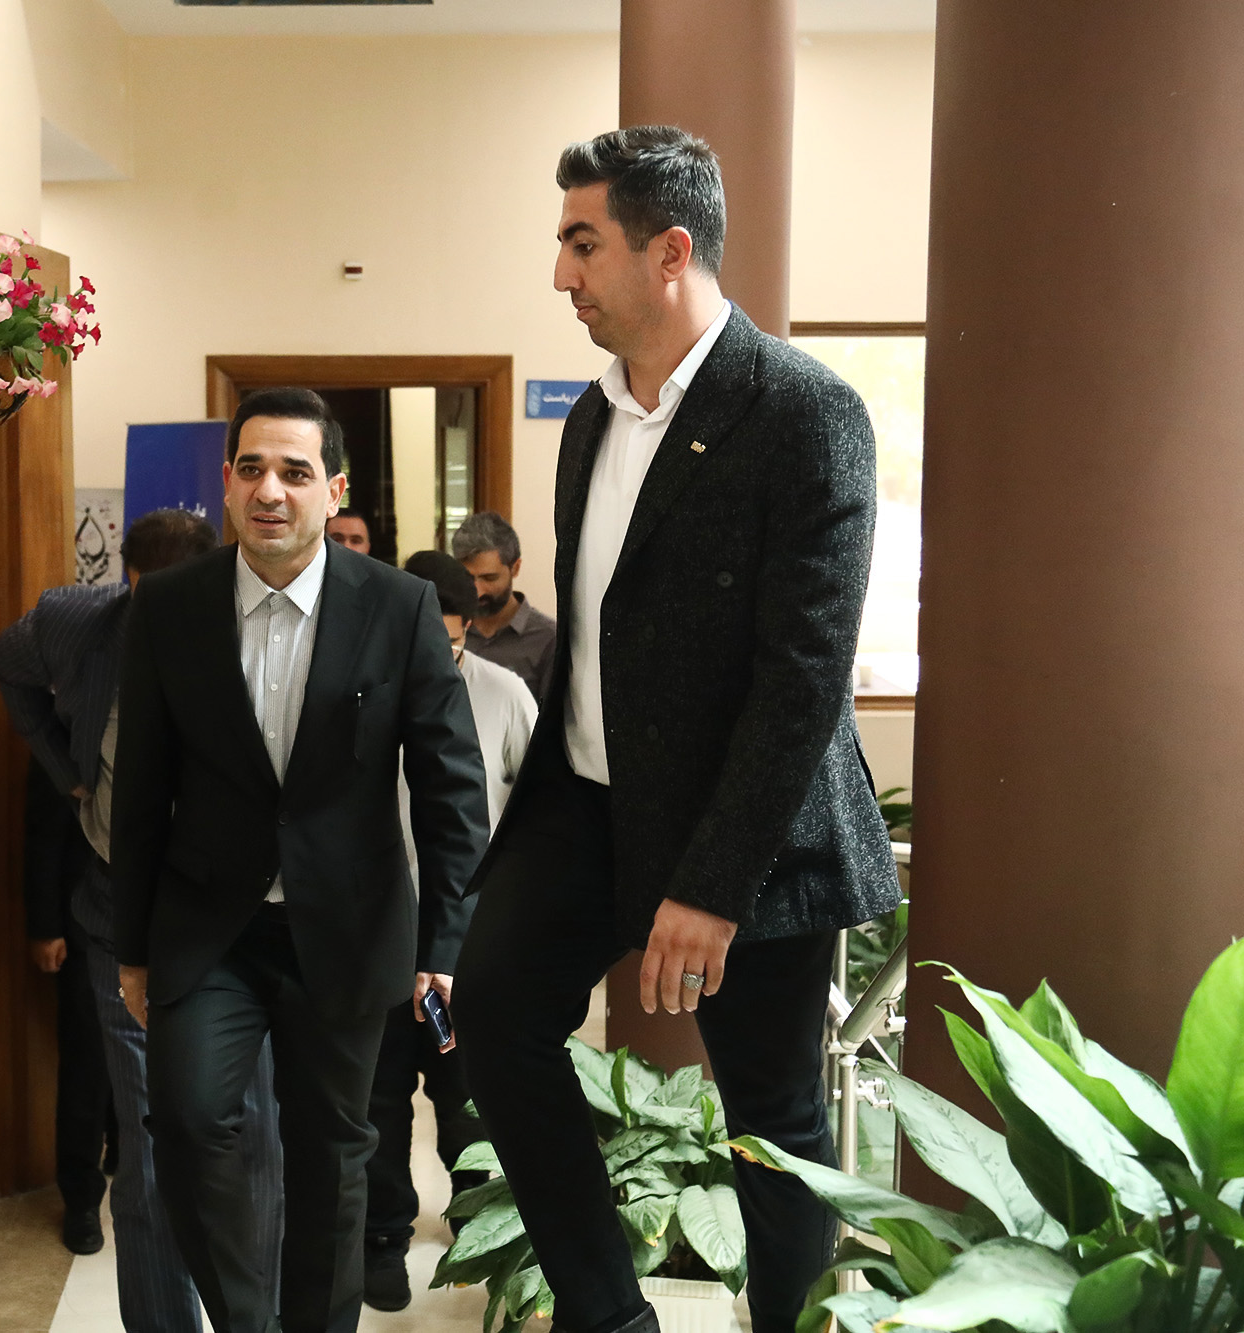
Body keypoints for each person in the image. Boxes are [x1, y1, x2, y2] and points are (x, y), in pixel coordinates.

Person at [454, 127, 901, 1333]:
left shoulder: (804, 412)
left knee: (771, 1118)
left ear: (668, 251)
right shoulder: (590, 418)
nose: (559, 274)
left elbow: (803, 678)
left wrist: (711, 883)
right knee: (492, 1015)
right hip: (584, 804)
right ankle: (610, 1317)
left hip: (747, 829)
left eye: (579, 243)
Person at [110, 386, 492, 1333]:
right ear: (226, 484)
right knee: (187, 1121)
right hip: (211, 927)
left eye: (294, 470)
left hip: (348, 927)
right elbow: (141, 789)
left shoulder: (398, 607)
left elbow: (451, 788)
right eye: (251, 469)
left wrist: (445, 943)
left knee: (333, 1150)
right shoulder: (170, 607)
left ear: (335, 489)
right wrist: (132, 949)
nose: (270, 490)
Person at [0, 508, 285, 1333]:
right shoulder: (77, 623)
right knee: (150, 1148)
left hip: (237, 930)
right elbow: (6, 662)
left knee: (253, 1139)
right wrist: (65, 768)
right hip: (120, 918)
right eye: (141, 595)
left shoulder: (259, 636)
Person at [363, 551, 536, 1313]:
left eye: (453, 644)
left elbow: (537, 809)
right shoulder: (363, 689)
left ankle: (474, 1225)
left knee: (466, 1092)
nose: (439, 658)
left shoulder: (503, 694)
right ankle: (381, 1236)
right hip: (376, 928)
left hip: (470, 934)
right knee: (377, 1098)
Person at [20, 758, 118, 1255]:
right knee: (86, 1065)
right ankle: (81, 1198)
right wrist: (45, 926)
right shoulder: (67, 735)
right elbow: (43, 836)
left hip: (165, 926)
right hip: (85, 927)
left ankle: (126, 1159)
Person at [451, 511, 558, 700]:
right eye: (467, 577)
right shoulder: (447, 630)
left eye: (489, 578)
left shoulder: (547, 639)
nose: (477, 591)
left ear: (515, 568)